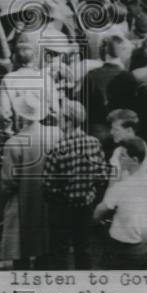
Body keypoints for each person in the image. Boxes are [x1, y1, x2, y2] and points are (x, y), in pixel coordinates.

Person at [0, 92, 63, 268]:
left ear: (20, 114)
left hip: (23, 199)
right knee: (46, 242)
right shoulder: (56, 134)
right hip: (50, 198)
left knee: (20, 248)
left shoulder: (14, 143)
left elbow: (8, 181)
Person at [43, 100, 108, 269]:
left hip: (62, 207)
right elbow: (102, 176)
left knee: (59, 251)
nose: (57, 119)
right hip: (86, 205)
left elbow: (49, 185)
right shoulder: (94, 142)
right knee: (83, 248)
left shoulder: (58, 148)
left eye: (61, 116)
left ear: (69, 120)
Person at [94, 137, 147, 268]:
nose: (119, 159)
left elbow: (98, 212)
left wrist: (96, 222)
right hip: (145, 246)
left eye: (123, 156)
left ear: (134, 160)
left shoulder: (121, 187)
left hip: (120, 248)